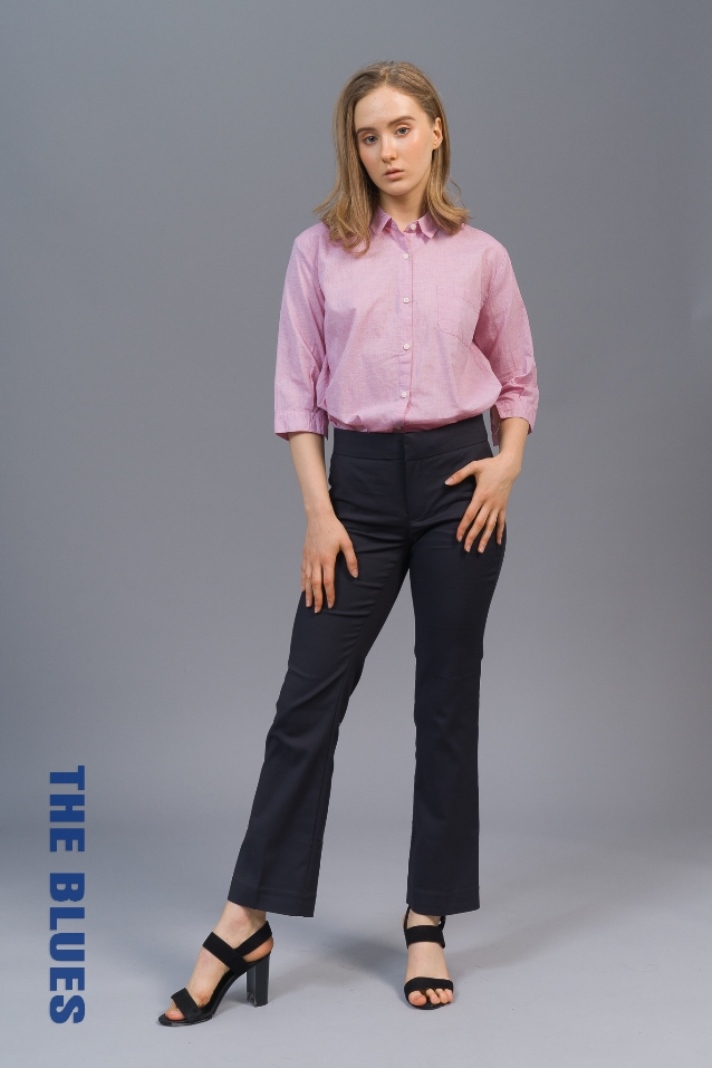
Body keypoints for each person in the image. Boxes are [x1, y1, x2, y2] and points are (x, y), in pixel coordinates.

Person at [159, 59, 538, 1024]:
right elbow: (297, 394)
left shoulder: (481, 255)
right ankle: (245, 917)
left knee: (446, 705)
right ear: (353, 148)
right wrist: (320, 512)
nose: (387, 150)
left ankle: (427, 919)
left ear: (437, 131)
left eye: (403, 129)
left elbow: (519, 380)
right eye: (369, 136)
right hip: (356, 492)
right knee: (306, 705)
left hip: (458, 486)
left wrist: (505, 464)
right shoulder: (318, 253)